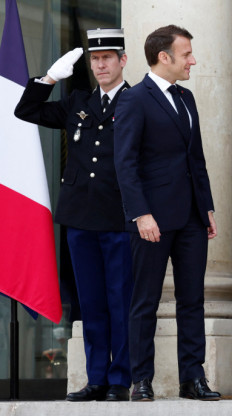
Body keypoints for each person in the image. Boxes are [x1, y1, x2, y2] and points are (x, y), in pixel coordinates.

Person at [14, 28, 133, 402]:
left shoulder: (137, 102)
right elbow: (26, 110)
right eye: (94, 59)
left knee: (120, 302)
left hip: (120, 217)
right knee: (90, 302)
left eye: (107, 58)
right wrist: (48, 78)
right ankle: (96, 378)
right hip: (80, 218)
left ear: (122, 60)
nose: (100, 65)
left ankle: (120, 378)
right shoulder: (77, 101)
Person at [114, 24, 220, 402]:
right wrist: (140, 214)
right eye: (187, 53)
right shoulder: (134, 99)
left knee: (192, 299)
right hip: (152, 220)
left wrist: (206, 206)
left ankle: (192, 379)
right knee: (145, 300)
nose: (193, 60)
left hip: (191, 216)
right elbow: (125, 164)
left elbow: (197, 158)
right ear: (164, 57)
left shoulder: (187, 97)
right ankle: (141, 380)